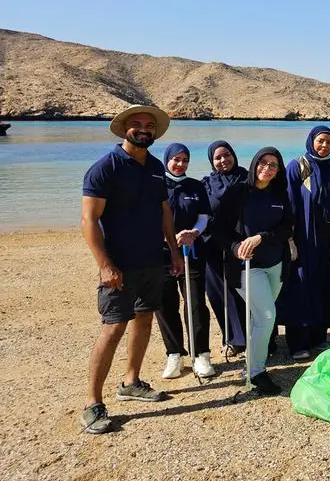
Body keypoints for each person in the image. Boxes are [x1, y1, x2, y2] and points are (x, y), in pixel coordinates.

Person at [79, 104, 183, 434]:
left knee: (144, 318)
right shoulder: (105, 168)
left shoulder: (154, 167)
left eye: (149, 125)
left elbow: (164, 210)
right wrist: (104, 264)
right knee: (113, 328)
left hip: (152, 260)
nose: (143, 129)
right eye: (137, 124)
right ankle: (92, 403)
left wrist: (173, 250)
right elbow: (89, 219)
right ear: (124, 128)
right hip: (119, 266)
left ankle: (131, 381)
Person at [212, 147, 292, 395]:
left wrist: (261, 237)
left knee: (260, 318)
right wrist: (236, 247)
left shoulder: (280, 194)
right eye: (263, 163)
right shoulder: (238, 192)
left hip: (276, 265)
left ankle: (252, 364)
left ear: (279, 171)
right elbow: (219, 229)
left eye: (273, 165)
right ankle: (256, 372)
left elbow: (287, 228)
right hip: (246, 267)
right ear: (255, 163)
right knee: (267, 316)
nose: (267, 169)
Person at [279, 126, 330, 360]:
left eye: (328, 141)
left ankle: (318, 338)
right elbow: (288, 205)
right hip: (304, 240)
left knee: (325, 287)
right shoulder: (298, 166)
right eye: (320, 141)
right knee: (300, 287)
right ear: (311, 141)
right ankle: (298, 343)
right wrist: (289, 240)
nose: (324, 145)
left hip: (328, 242)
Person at [155, 143, 215, 379]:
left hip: (191, 252)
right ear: (167, 160)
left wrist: (193, 233)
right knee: (165, 304)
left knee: (195, 303)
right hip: (161, 254)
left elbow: (203, 217)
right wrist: (168, 240)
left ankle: (201, 354)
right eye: (176, 159)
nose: (180, 164)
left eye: (185, 160)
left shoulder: (195, 186)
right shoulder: (157, 185)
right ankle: (174, 354)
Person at [202, 140, 248, 357]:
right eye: (217, 158)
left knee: (242, 291)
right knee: (218, 293)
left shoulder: (247, 179)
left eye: (227, 155)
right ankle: (231, 338)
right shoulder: (207, 184)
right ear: (212, 161)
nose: (223, 160)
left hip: (241, 244)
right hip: (213, 245)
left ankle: (252, 337)